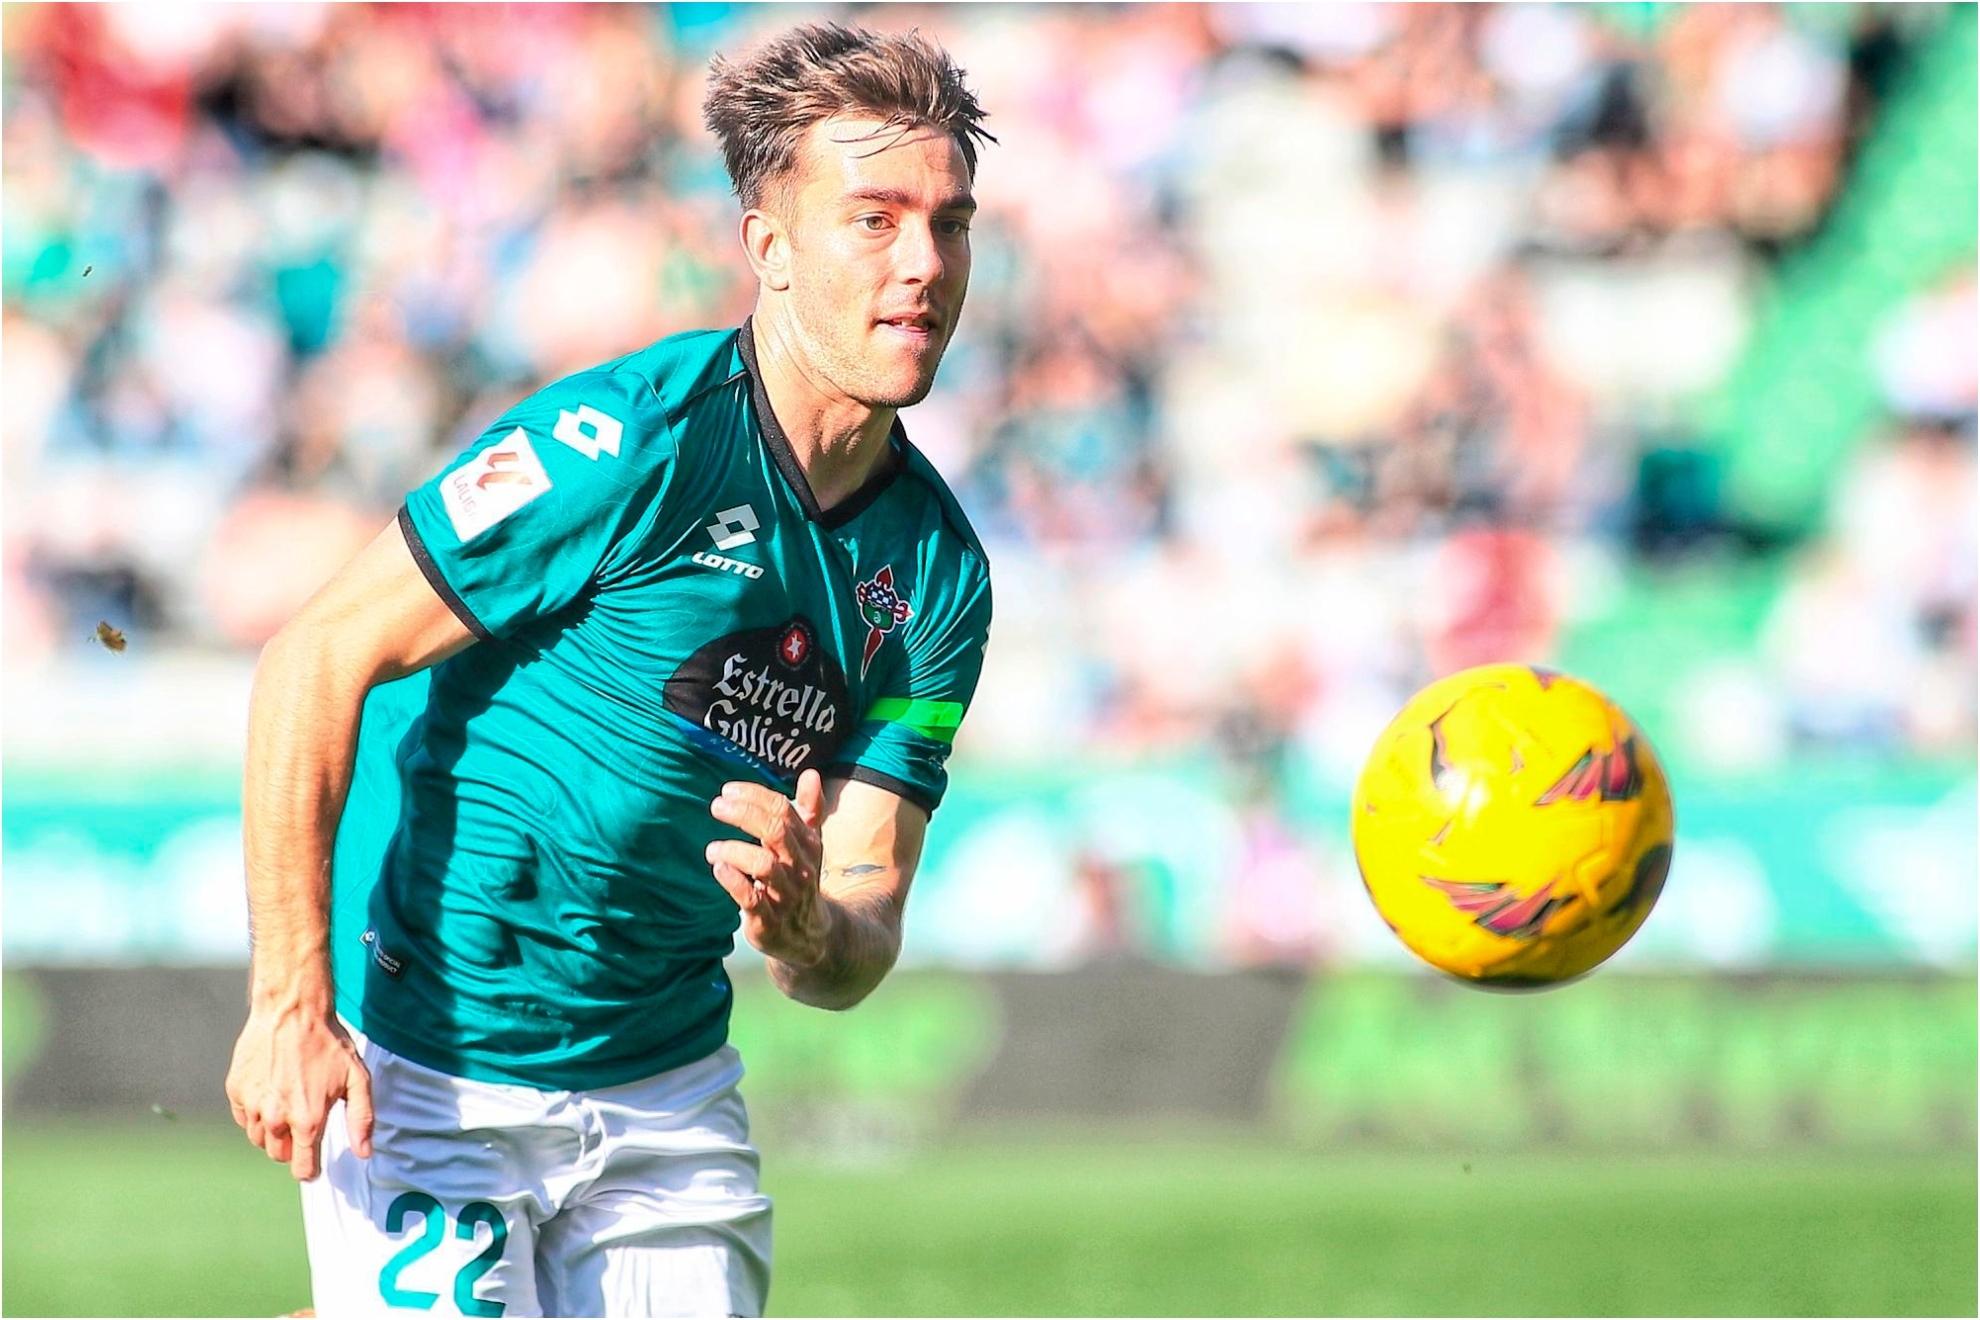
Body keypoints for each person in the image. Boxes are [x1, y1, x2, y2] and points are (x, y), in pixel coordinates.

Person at [223, 23, 995, 1317]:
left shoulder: (937, 580)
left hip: (665, 1091)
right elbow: (315, 654)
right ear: (769, 248)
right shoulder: (624, 442)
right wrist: (289, 1006)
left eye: (951, 223)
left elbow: (859, 935)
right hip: (435, 1053)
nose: (922, 265)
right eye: (874, 219)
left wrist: (809, 929)